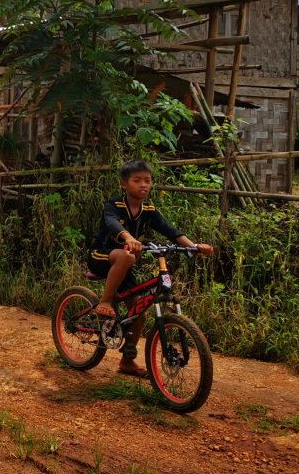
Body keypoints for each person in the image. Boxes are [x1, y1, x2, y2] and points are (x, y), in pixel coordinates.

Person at [87, 160, 213, 377]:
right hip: (101, 256)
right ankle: (105, 301)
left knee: (139, 313)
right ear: (124, 184)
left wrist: (193, 247)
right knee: (127, 255)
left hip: (124, 263)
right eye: (137, 180)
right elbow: (112, 223)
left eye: (147, 180)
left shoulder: (149, 210)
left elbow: (171, 231)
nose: (143, 185)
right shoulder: (113, 205)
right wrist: (128, 238)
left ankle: (127, 362)